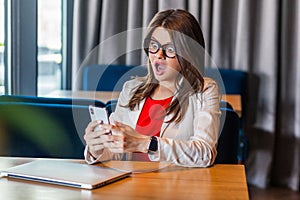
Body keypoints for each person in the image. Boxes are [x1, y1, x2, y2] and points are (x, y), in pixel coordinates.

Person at [84, 9, 220, 167]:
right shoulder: (131, 88)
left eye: (170, 49)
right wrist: (97, 148)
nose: (159, 55)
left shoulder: (204, 90)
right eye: (154, 46)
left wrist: (146, 144)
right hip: (131, 184)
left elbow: (205, 154)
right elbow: (116, 152)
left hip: (175, 186)